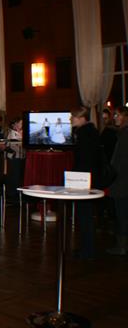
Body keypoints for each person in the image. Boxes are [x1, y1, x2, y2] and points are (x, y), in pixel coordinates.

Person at [71, 107, 102, 260]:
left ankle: (87, 250)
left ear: (82, 118)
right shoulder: (91, 132)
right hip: (89, 177)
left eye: (74, 117)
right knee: (86, 214)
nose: (71, 119)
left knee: (84, 214)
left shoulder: (83, 134)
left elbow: (83, 160)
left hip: (83, 178)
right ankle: (87, 248)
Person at [107, 107, 128, 255]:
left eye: (117, 115)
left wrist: (111, 174)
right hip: (122, 180)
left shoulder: (125, 135)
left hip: (122, 181)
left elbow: (119, 161)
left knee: (122, 213)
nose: (114, 117)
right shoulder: (122, 133)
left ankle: (122, 246)